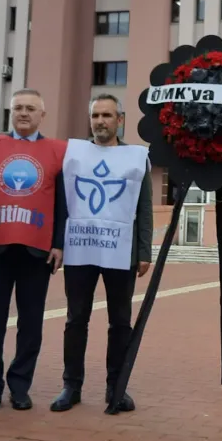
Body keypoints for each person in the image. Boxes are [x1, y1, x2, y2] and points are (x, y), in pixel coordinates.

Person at [50, 94, 152, 413]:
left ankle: (116, 387)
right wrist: (59, 243)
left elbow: (144, 206)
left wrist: (145, 250)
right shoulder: (73, 155)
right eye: (95, 115)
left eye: (107, 115)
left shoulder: (136, 158)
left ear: (119, 120)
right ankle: (71, 385)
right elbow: (62, 203)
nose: (100, 122)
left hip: (121, 251)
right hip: (80, 248)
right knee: (75, 318)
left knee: (120, 321)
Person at [0, 88, 66, 412]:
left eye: (30, 108)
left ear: (42, 115)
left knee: (31, 324)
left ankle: (20, 386)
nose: (24, 113)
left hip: (36, 253)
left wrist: (59, 243)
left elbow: (62, 203)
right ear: (11, 112)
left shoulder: (57, 152)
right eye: (18, 108)